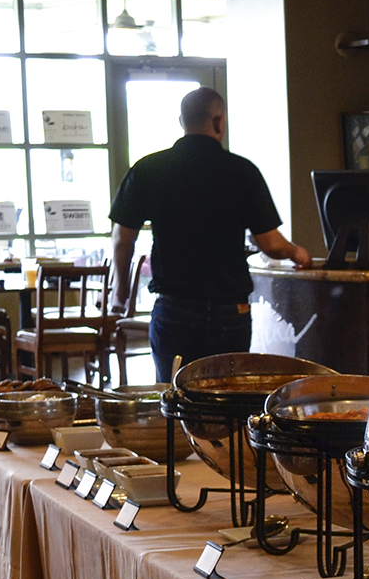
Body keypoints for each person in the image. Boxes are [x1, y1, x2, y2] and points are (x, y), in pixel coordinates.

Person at [108, 86, 311, 382]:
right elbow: (270, 243)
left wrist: (121, 291)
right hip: (230, 311)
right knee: (226, 397)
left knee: (174, 396)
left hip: (174, 308)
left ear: (182, 121)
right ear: (219, 122)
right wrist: (297, 252)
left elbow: (122, 238)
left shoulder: (149, 169)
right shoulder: (242, 171)